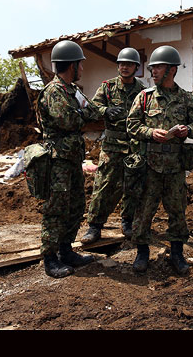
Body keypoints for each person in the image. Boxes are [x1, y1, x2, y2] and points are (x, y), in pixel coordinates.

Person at [126, 45, 193, 275]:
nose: (153, 72)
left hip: (175, 167)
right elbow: (131, 126)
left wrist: (187, 130)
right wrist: (150, 133)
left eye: (158, 67)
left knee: (177, 211)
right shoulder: (144, 97)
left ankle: (177, 253)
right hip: (149, 165)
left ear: (171, 70)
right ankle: (142, 253)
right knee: (144, 211)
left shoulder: (186, 99)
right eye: (152, 68)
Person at [35, 40, 101, 278]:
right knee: (56, 209)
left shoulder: (72, 90)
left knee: (75, 206)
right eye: (80, 64)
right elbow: (67, 120)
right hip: (58, 161)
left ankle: (66, 250)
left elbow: (91, 110)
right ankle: (50, 258)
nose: (82, 68)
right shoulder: (54, 91)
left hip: (72, 159)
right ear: (71, 65)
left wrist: (107, 113)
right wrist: (84, 114)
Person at [80, 48, 146, 244]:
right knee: (104, 186)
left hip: (134, 146)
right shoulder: (107, 87)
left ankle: (128, 222)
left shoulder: (142, 90)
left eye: (129, 64)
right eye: (121, 64)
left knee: (132, 186)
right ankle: (94, 226)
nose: (124, 67)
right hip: (111, 147)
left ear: (136, 67)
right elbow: (91, 109)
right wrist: (106, 110)